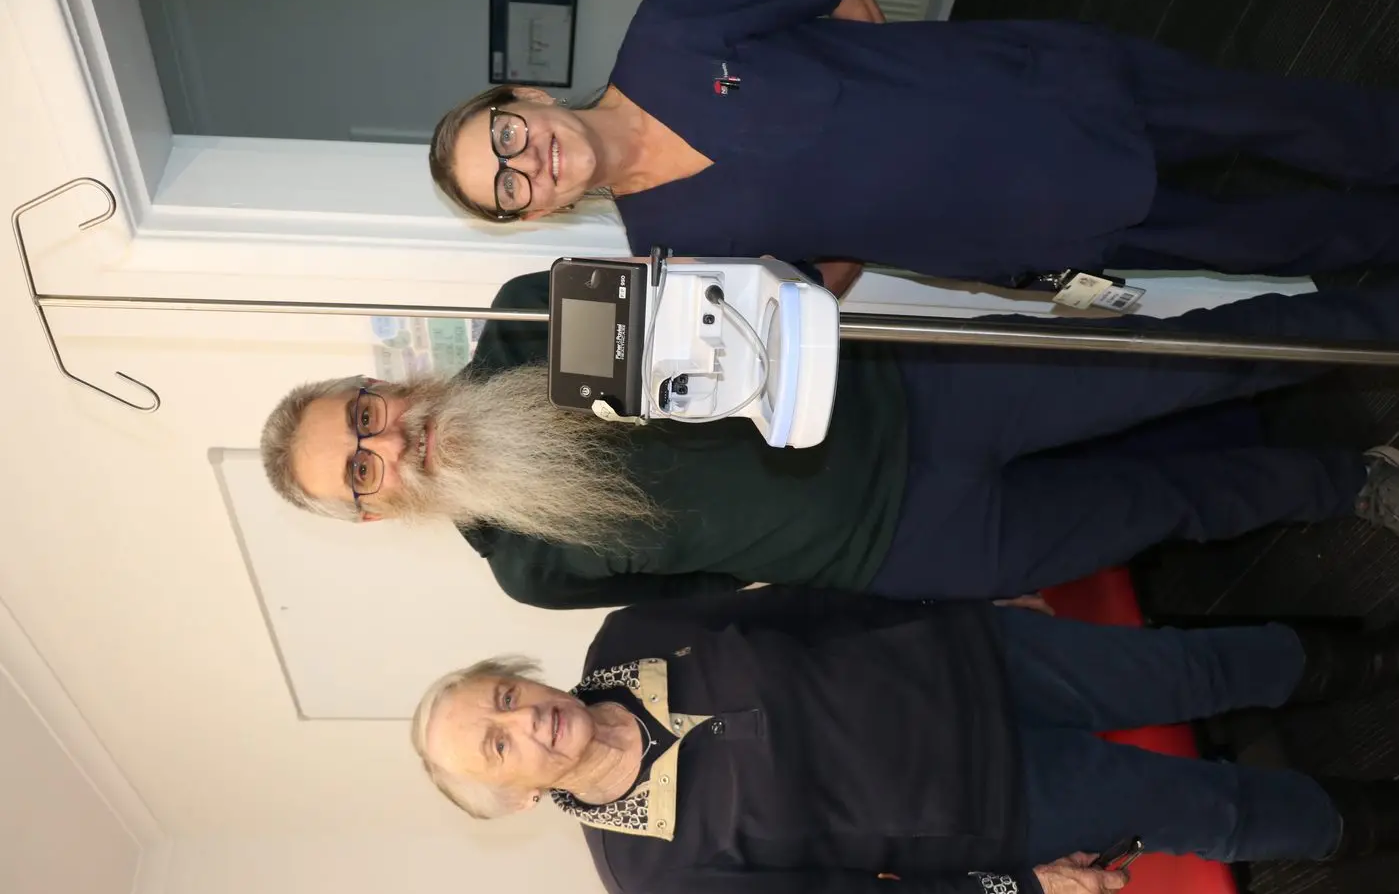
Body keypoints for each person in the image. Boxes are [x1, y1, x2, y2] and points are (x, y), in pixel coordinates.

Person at [260, 270, 1399, 609]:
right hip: (912, 546)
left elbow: (719, 296)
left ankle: (1369, 326)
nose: (392, 441)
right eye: (362, 467)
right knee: (1164, 508)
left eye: (365, 414)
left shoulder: (525, 318)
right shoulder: (527, 568)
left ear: (378, 382)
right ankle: (1351, 482)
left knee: (1189, 362)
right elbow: (714, 577)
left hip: (923, 393)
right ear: (374, 507)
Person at [409, 584, 1399, 894]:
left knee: (1191, 669)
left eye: (504, 695)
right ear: (517, 796)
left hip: (983, 662)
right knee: (1207, 811)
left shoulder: (628, 637)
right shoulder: (645, 871)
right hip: (999, 807)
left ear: (519, 674)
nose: (527, 720)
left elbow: (803, 608)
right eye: (499, 744)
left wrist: (967, 606)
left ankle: (1371, 655)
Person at [427, 0, 1399, 295]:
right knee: (1259, 240)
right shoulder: (669, 258)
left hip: (1041, 93)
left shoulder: (669, 34)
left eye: (506, 136)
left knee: (1278, 118)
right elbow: (812, 286)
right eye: (508, 188)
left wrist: (894, 71)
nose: (528, 163)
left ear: (523, 96)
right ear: (534, 214)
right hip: (1020, 228)